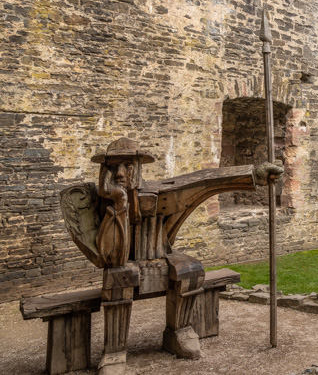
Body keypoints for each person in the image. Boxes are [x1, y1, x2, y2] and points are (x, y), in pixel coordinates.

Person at [62, 137, 282, 373]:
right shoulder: (93, 203)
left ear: (138, 168)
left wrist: (253, 175)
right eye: (113, 167)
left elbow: (206, 180)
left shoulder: (162, 192)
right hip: (125, 264)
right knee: (119, 276)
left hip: (160, 256)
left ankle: (179, 330)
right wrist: (119, 203)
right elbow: (111, 257)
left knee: (190, 269)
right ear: (104, 171)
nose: (120, 173)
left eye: (127, 166)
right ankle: (114, 351)